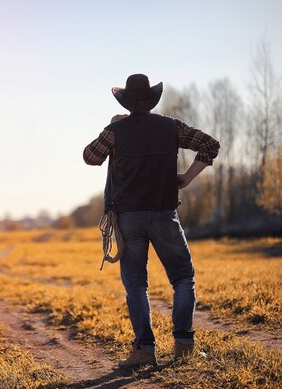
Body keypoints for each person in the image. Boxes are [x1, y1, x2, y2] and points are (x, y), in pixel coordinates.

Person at [83, 74, 220, 368]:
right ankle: (184, 346)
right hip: (164, 213)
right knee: (183, 279)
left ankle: (145, 350)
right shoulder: (170, 127)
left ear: (126, 103)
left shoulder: (116, 130)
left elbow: (90, 157)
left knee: (136, 286)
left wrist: (113, 126)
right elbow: (210, 146)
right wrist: (186, 178)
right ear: (151, 99)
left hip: (129, 218)